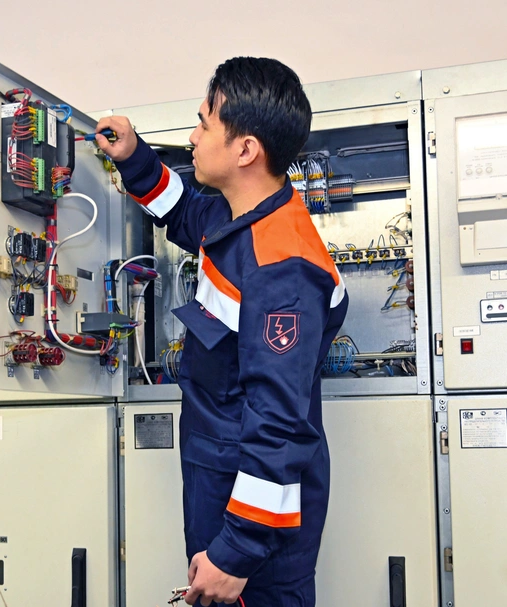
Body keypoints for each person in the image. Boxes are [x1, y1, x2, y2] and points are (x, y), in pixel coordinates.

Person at [96, 58, 348, 606]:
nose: (193, 136)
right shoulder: (239, 215)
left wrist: (236, 552)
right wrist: (135, 158)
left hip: (255, 532)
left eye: (204, 123)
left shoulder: (283, 268)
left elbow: (280, 424)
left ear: (245, 150)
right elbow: (183, 212)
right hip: (218, 479)